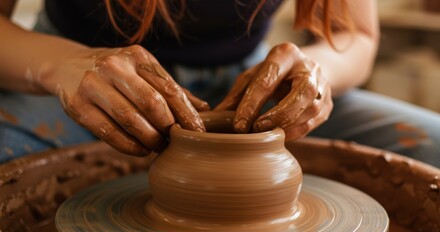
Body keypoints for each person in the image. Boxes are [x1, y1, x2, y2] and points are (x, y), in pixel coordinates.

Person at [0, 0, 439, 167]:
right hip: (77, 77)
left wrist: (316, 72)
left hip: (254, 86)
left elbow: (353, 35)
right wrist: (59, 66)